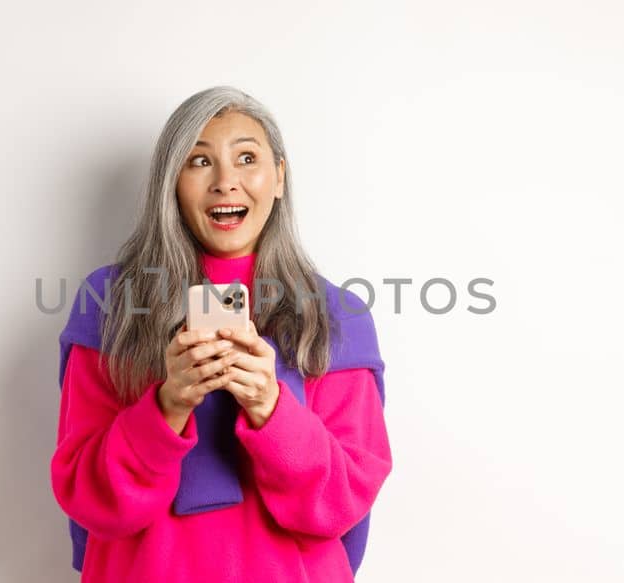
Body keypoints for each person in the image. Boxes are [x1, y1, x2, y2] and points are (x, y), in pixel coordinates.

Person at [50, 86, 393, 582]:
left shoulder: (338, 316)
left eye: (247, 158)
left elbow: (344, 505)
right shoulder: (109, 301)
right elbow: (87, 498)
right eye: (199, 161)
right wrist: (167, 405)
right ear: (172, 183)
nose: (225, 182)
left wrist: (270, 408)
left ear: (278, 177)